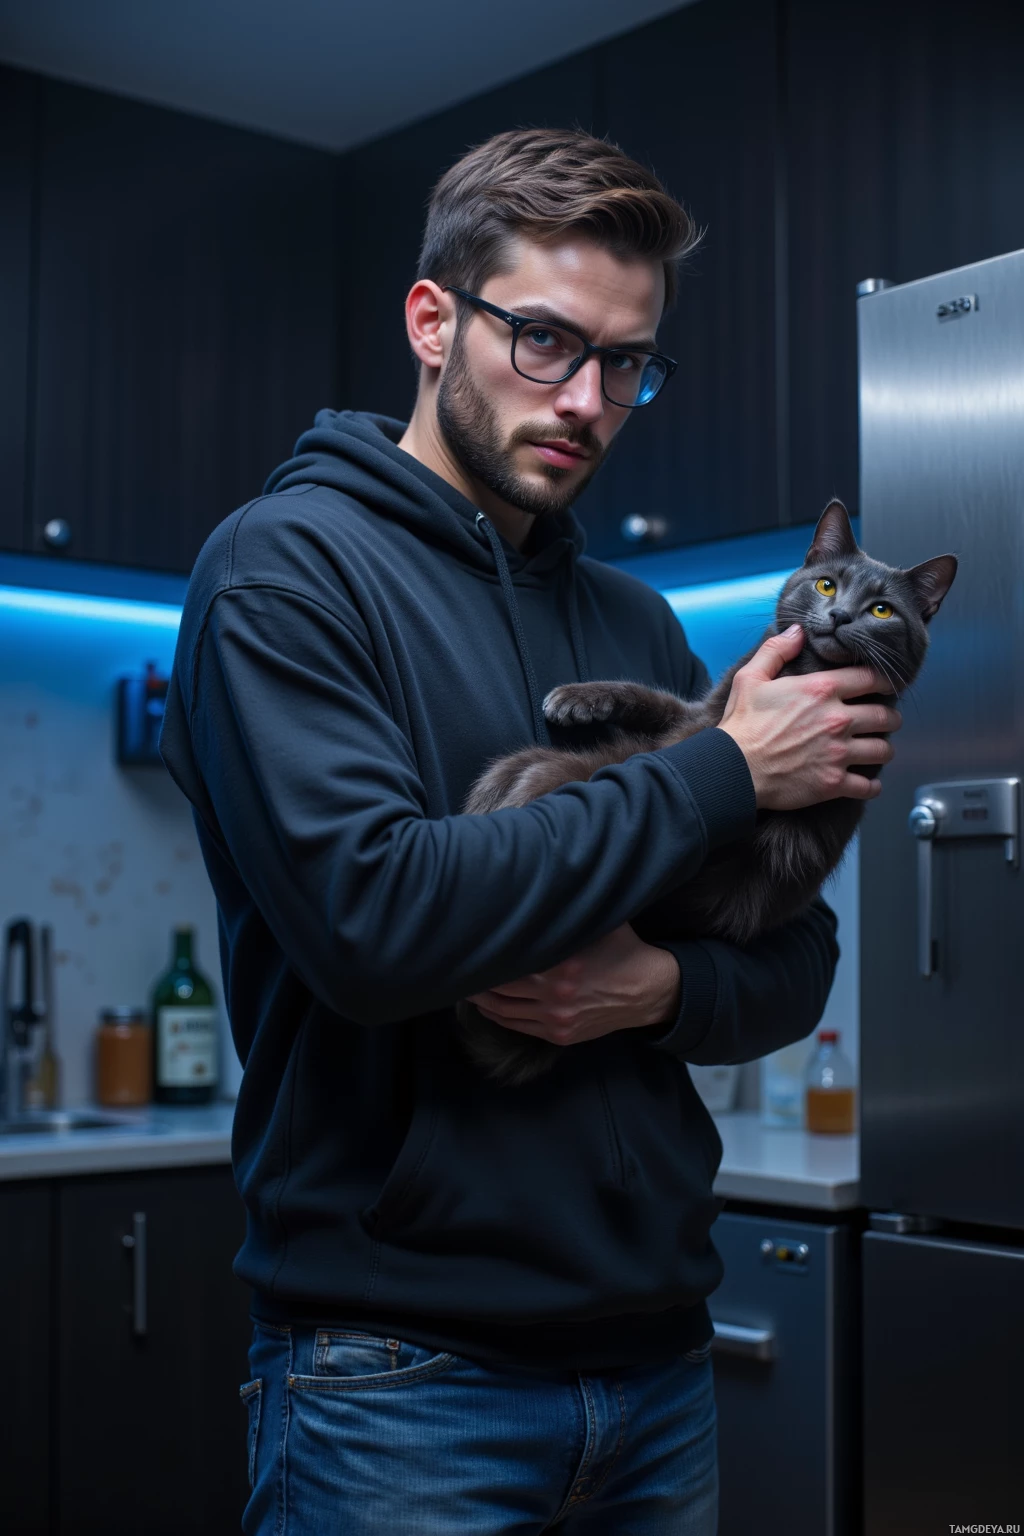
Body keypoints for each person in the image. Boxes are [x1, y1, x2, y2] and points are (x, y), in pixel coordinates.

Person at [161, 128, 899, 1535]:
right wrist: (724, 768)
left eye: (628, 365)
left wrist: (652, 990)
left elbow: (793, 960)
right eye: (547, 340)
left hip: (657, 1364)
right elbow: (376, 923)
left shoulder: (636, 621)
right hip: (395, 1384)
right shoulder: (283, 572)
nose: (587, 401)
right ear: (433, 320)